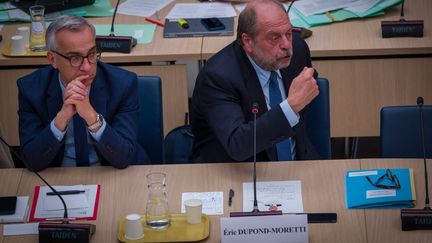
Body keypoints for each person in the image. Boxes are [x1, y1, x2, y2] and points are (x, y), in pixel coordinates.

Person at [191, 0, 320, 163]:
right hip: (241, 171)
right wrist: (290, 107)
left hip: (299, 165)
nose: (287, 45)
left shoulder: (298, 51)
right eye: (274, 38)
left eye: (288, 33)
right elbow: (237, 144)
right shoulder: (217, 77)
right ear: (248, 42)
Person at [17, 15, 149, 171]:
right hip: (58, 178)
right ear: (53, 59)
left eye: (92, 54)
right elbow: (32, 162)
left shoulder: (122, 84)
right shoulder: (30, 89)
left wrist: (92, 118)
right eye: (75, 58)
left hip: (111, 174)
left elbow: (124, 157)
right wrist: (61, 119)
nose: (87, 67)